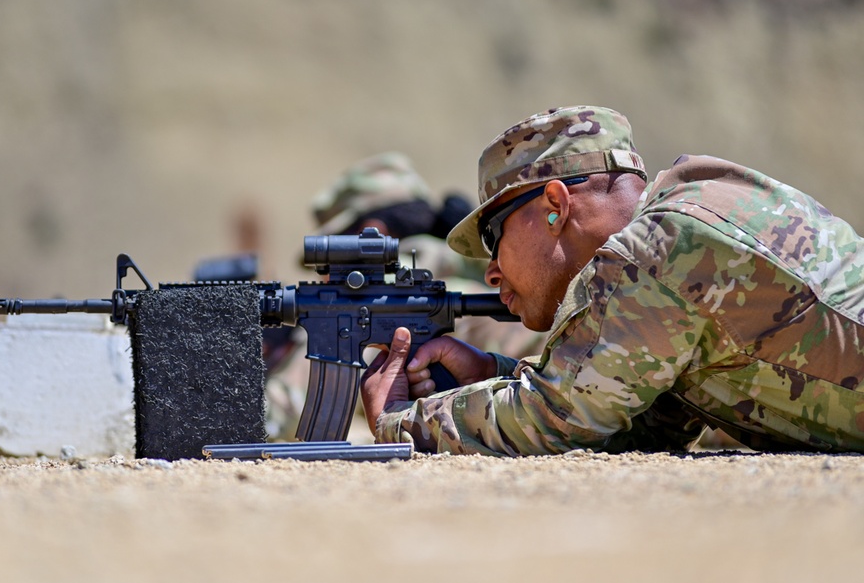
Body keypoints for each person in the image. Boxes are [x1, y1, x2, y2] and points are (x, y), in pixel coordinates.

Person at [361, 105, 864, 455]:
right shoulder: (681, 221)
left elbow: (556, 420)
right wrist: (493, 373)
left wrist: (398, 421)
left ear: (555, 206)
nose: (491, 269)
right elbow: (640, 419)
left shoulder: (659, 248)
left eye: (496, 237)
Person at [264, 151, 547, 441]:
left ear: (369, 233)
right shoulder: (459, 275)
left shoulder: (389, 293)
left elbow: (284, 411)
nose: (323, 277)